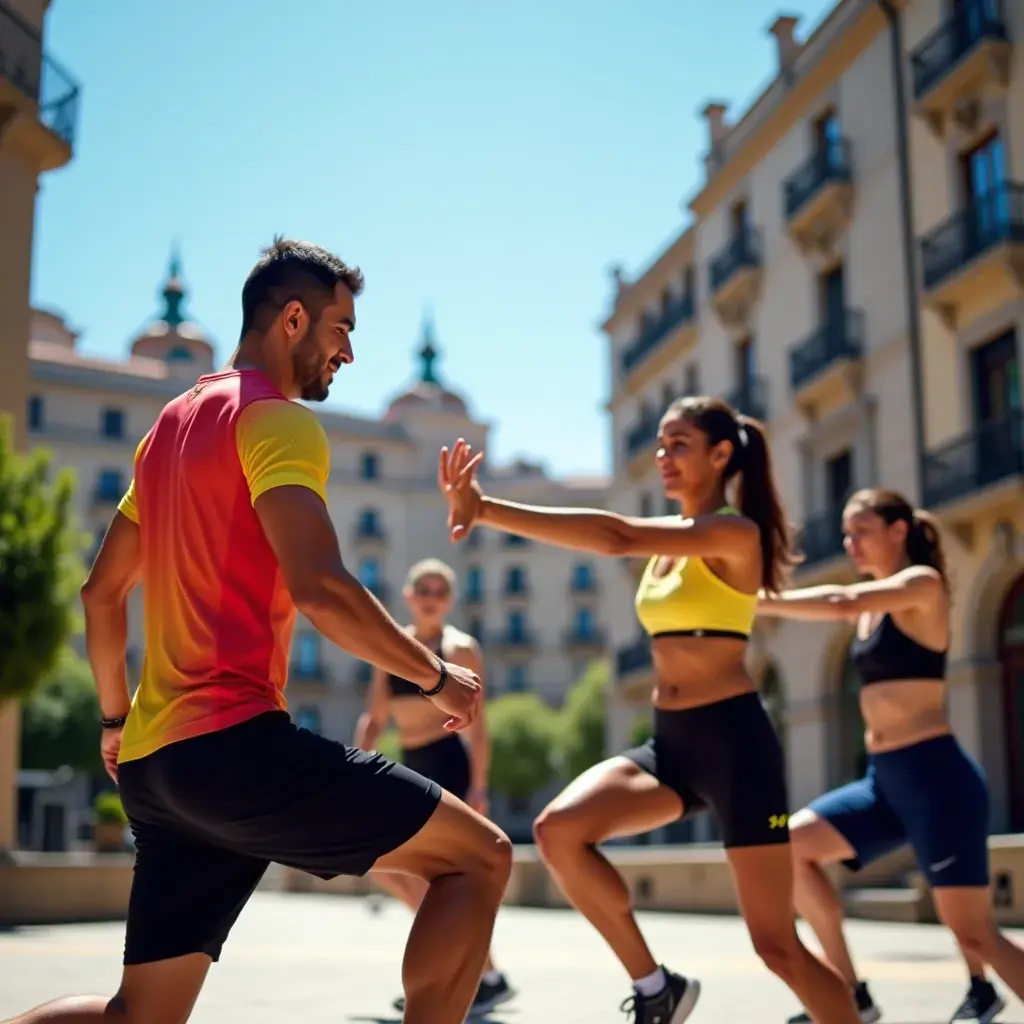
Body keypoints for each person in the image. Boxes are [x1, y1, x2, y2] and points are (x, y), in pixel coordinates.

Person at [4, 238, 512, 1024]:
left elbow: (101, 595)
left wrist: (115, 721)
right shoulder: (278, 423)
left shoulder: (166, 431)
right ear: (294, 318)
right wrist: (435, 675)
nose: (348, 350)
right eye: (341, 328)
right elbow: (321, 588)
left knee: (138, 1014)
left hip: (155, 769)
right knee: (480, 856)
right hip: (235, 749)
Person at [436, 399, 863, 1024]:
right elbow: (631, 539)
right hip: (671, 743)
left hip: (736, 745)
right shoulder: (672, 546)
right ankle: (656, 985)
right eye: (660, 445)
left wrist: (488, 508)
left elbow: (618, 536)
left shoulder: (732, 533)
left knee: (776, 947)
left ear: (721, 455)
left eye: (680, 444)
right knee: (559, 832)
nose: (664, 457)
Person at [758, 487, 1024, 1024]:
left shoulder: (921, 586)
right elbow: (848, 606)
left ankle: (983, 990)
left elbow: (841, 601)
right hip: (882, 784)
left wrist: (756, 599)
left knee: (973, 931)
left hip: (936, 779)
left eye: (861, 531)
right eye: (846, 534)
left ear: (898, 530)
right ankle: (850, 993)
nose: (849, 542)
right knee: (789, 843)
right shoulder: (872, 605)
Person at [354, 556, 517, 1016]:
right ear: (408, 596)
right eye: (422, 589)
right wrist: (356, 768)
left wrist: (480, 788)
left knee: (453, 879)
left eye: (439, 591)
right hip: (411, 764)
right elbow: (375, 717)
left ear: (449, 600)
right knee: (386, 867)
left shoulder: (462, 648)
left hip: (450, 766)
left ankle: (464, 976)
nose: (430, 598)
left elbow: (479, 730)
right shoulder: (393, 645)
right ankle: (477, 973)